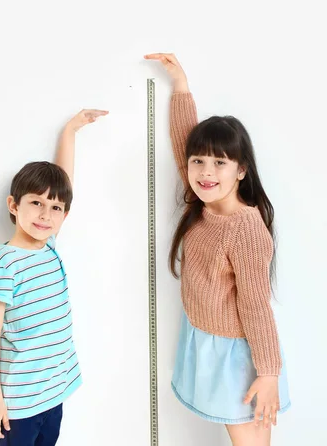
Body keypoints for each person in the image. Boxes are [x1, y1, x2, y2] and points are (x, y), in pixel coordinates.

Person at [144, 52, 290, 446]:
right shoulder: (202, 203)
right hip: (205, 337)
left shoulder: (245, 229)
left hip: (239, 354)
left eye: (220, 163)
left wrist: (269, 372)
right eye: (199, 162)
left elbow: (256, 304)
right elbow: (182, 142)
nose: (206, 172)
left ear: (241, 170)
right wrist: (180, 86)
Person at [0, 108, 108, 445]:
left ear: (64, 214)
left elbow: (64, 182)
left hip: (53, 393)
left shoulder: (49, 247)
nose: (45, 214)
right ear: (13, 205)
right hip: (18, 405)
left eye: (55, 208)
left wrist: (71, 131)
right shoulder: (4, 263)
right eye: (36, 203)